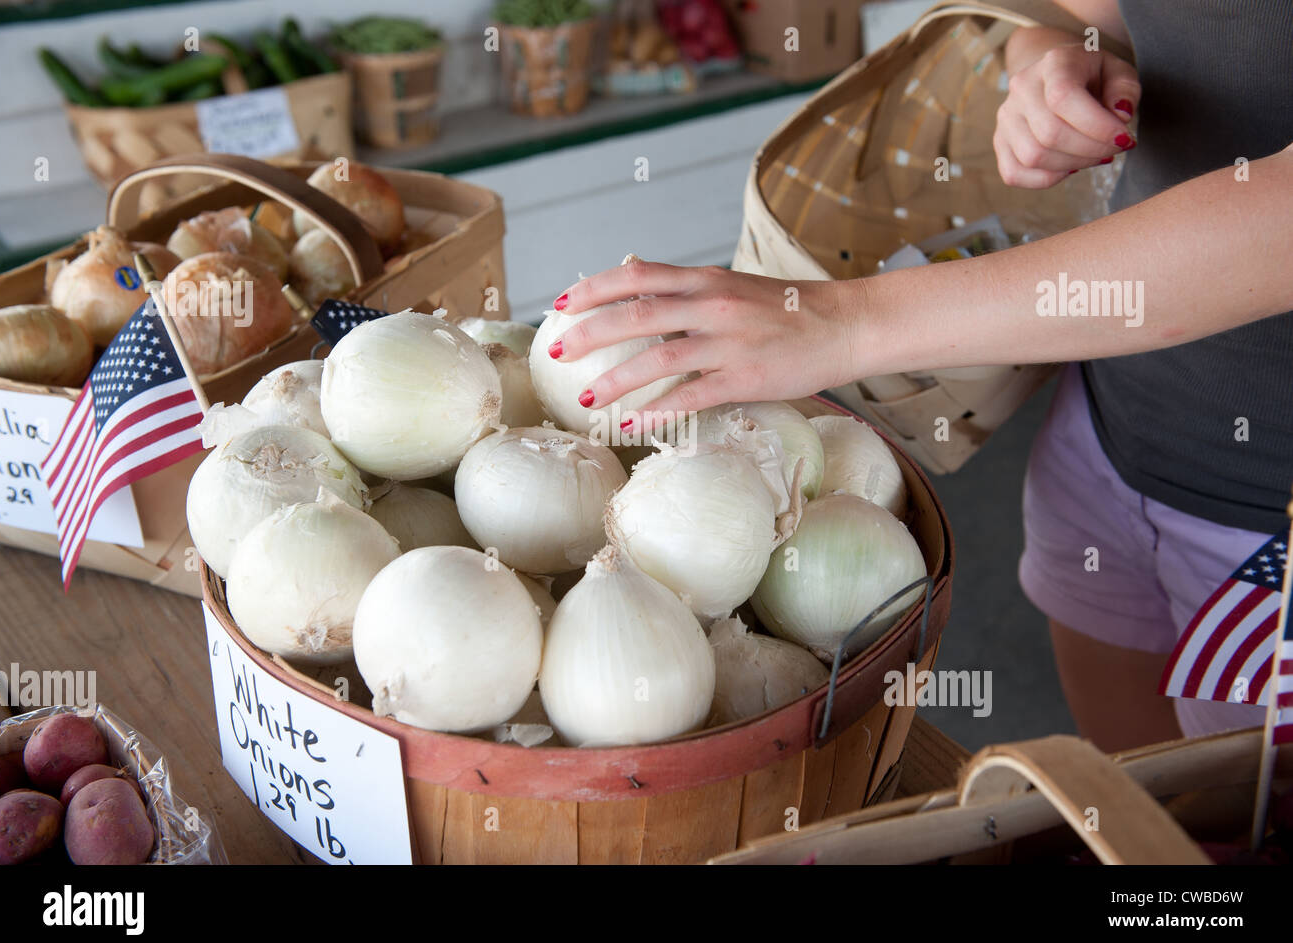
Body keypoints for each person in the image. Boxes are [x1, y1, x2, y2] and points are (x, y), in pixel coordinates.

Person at [543, 0, 1293, 752]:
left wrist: (848, 320)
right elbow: (1075, 11)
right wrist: (1045, 62)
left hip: (1269, 525)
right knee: (1140, 816)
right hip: (1106, 437)